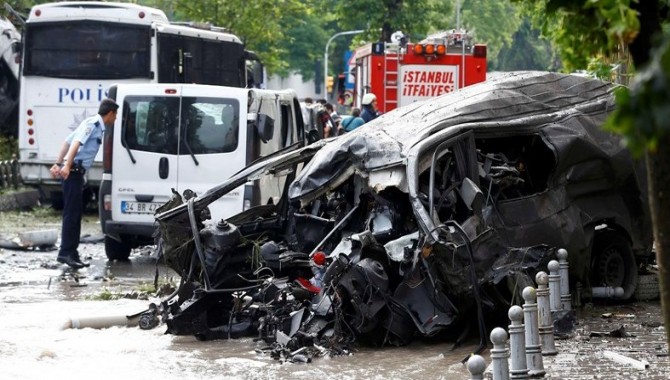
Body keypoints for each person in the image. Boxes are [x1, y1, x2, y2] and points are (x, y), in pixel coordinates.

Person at [49, 98, 119, 269]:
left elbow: (67, 140)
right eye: (115, 116)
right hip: (73, 172)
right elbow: (75, 143)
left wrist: (58, 163)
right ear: (110, 113)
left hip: (75, 173)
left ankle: (72, 253)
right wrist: (65, 165)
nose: (115, 119)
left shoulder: (91, 123)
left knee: (75, 214)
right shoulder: (93, 125)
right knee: (71, 215)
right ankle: (65, 253)